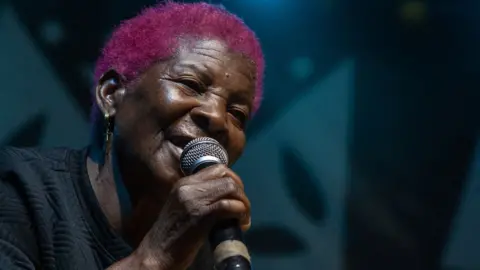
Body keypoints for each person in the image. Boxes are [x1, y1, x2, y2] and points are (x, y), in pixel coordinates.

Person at [0, 1, 265, 269]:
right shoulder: (16, 188)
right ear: (111, 94)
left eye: (237, 114)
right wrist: (155, 258)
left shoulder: (209, 258)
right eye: (190, 85)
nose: (217, 118)